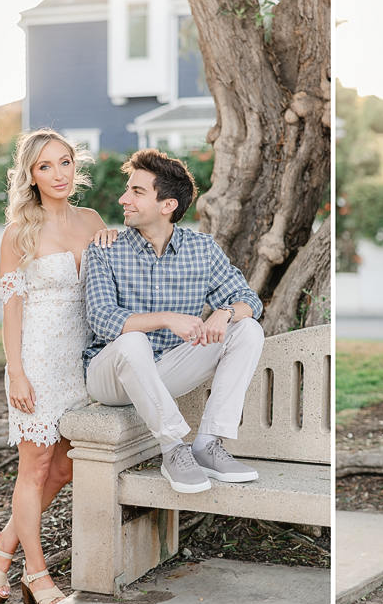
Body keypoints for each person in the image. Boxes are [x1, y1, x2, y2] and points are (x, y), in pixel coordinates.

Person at [0, 129, 117, 604]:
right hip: (36, 360)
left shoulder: (93, 219)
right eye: (45, 166)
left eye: (64, 163)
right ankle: (35, 574)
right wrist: (16, 372)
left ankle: (1, 547)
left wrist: (115, 239)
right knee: (34, 469)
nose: (58, 175)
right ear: (31, 176)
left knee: (64, 467)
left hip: (82, 361)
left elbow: (112, 278)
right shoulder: (19, 234)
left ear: (75, 167)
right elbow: (11, 310)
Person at [84, 148, 265, 495]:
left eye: (137, 192)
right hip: (110, 376)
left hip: (165, 370)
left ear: (167, 205)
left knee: (248, 329)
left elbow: (249, 301)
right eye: (128, 189)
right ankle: (173, 448)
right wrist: (167, 320)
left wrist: (225, 313)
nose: (124, 198)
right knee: (133, 340)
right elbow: (103, 319)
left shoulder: (202, 249)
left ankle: (208, 443)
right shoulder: (105, 249)